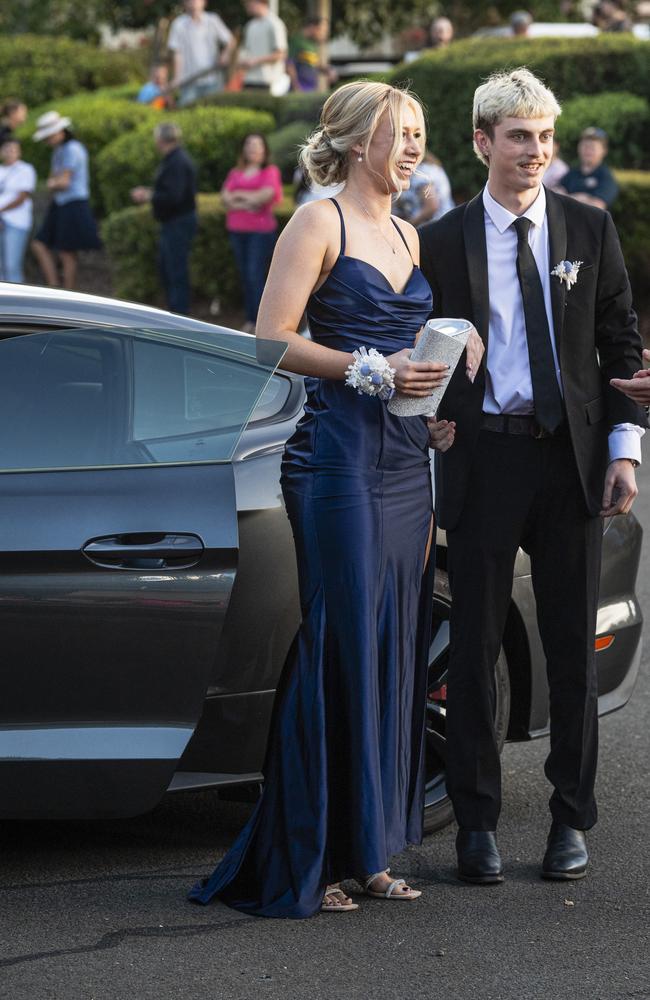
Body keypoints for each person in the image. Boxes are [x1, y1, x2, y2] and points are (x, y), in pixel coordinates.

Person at [188, 80, 484, 918]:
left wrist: (429, 418)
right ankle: (305, 855)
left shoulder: (408, 233)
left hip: (400, 462)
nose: (417, 145)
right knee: (341, 644)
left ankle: (371, 851)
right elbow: (267, 341)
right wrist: (375, 370)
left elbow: (406, 359)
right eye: (402, 131)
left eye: (423, 132)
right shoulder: (319, 221)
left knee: (394, 647)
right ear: (359, 141)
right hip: (334, 463)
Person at [419, 68, 647, 887]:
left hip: (571, 464)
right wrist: (434, 417)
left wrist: (624, 449)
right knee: (476, 645)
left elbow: (621, 345)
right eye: (519, 137)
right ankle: (475, 825)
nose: (535, 152)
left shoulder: (588, 227)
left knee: (568, 653)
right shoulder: (441, 241)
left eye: (545, 138)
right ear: (483, 142)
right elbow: (426, 353)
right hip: (483, 462)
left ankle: (568, 821)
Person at [131, 122, 197, 315]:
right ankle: (176, 313)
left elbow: (173, 196)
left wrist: (148, 196)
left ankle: (179, 316)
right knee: (169, 269)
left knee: (175, 271)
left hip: (178, 222)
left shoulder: (176, 162)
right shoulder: (175, 159)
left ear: (160, 140)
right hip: (175, 222)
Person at [31, 111, 101, 291]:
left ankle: (67, 293)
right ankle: (54, 285)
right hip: (61, 203)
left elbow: (63, 181)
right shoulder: (59, 150)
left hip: (73, 203)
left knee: (67, 252)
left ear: (60, 132)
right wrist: (53, 183)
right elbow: (55, 180)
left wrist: (52, 183)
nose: (47, 141)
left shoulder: (72, 149)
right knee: (41, 244)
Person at [221, 132, 282, 333]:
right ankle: (250, 318)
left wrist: (238, 197)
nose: (253, 148)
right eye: (249, 144)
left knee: (254, 275)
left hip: (260, 232)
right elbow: (225, 198)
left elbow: (265, 196)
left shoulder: (270, 171)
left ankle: (260, 322)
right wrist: (248, 200)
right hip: (237, 231)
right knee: (245, 276)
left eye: (257, 145)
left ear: (264, 149)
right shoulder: (235, 172)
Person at [168, 0, 235, 106]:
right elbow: (177, 53)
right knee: (187, 112)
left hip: (213, 79)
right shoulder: (178, 24)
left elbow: (230, 41)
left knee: (213, 112)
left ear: (204, 2)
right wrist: (177, 77)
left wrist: (225, 54)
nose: (193, 2)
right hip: (188, 81)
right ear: (184, 3)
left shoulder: (213, 20)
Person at [0, 137, 36, 283]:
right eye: (7, 149)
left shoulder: (25, 169)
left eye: (14, 149)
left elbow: (22, 197)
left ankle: (17, 304)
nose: (10, 152)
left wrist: (1, 211)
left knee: (11, 265)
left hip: (16, 222)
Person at [559, 127, 618, 210]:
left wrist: (567, 198)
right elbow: (555, 194)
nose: (588, 150)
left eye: (593, 147)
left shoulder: (605, 177)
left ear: (604, 151)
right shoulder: (572, 173)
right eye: (585, 145)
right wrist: (584, 198)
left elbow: (597, 206)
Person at [238, 0, 288, 94]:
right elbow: (246, 50)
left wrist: (255, 61)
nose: (246, 5)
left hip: (269, 82)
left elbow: (281, 54)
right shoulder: (250, 25)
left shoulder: (275, 23)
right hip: (249, 80)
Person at [394, 149, 454, 226]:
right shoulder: (430, 168)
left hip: (434, 229)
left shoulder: (421, 172)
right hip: (445, 225)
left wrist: (408, 226)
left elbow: (431, 206)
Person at [287, 15, 336, 92]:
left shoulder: (312, 44)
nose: (323, 34)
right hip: (299, 90)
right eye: (322, 30)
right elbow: (289, 65)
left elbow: (316, 64)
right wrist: (296, 87)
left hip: (311, 89)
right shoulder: (296, 41)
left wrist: (328, 71)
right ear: (312, 27)